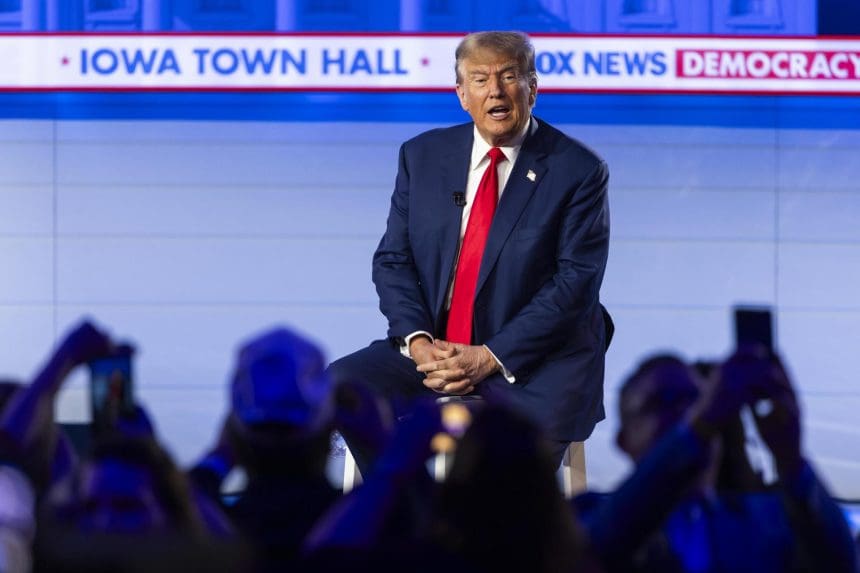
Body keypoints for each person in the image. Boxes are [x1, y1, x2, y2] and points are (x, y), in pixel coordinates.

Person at [328, 30, 610, 468]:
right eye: (479, 80)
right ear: (461, 94)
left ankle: (485, 531)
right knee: (344, 385)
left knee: (505, 481)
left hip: (534, 363)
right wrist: (419, 343)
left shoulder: (577, 170)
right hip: (436, 351)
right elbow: (393, 260)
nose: (495, 91)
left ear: (533, 88)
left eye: (509, 76)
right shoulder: (422, 156)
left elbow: (576, 283)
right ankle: (403, 507)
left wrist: (488, 356)